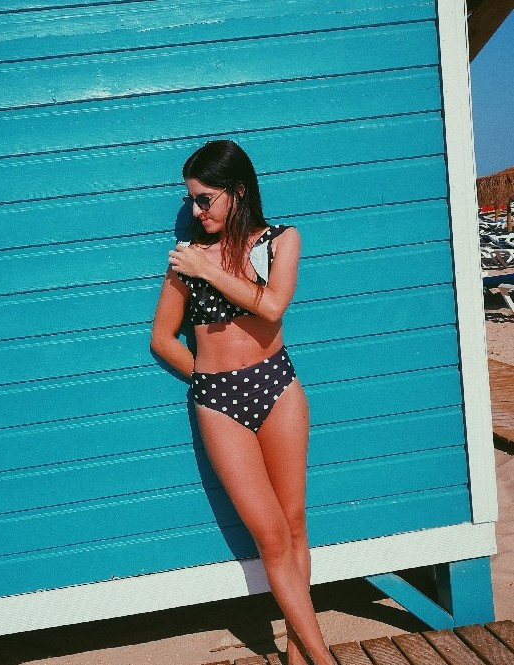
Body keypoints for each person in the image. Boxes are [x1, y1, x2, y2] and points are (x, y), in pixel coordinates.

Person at [150, 140, 334, 665]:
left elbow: (272, 306)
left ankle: (299, 655)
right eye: (191, 200)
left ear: (238, 191)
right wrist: (209, 380)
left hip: (277, 387)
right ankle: (324, 659)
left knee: (294, 525)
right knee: (270, 536)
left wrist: (210, 270)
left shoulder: (282, 240)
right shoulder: (186, 260)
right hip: (219, 401)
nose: (196, 211)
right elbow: (162, 338)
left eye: (205, 199)